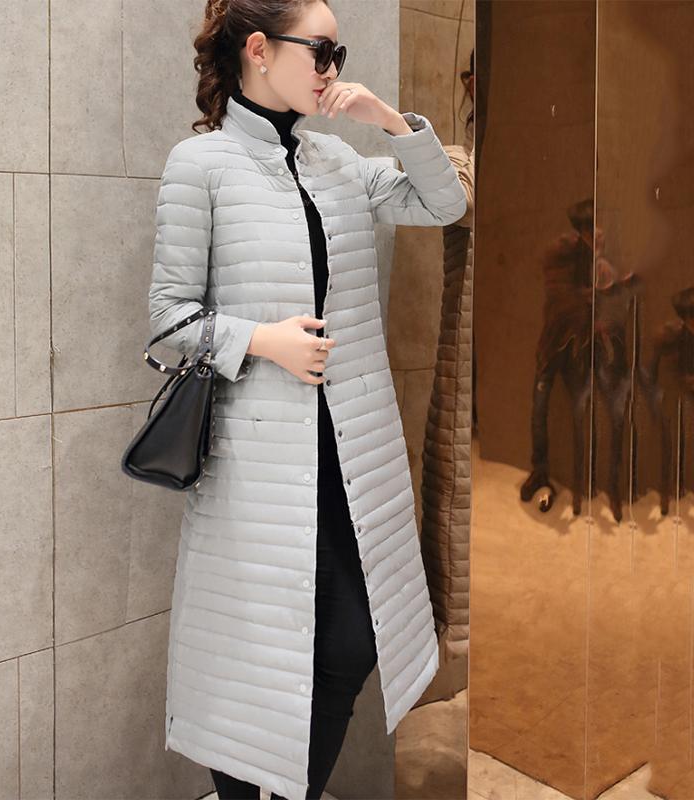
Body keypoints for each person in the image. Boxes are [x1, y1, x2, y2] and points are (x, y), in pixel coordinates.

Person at [150, 1, 468, 798]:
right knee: (251, 663)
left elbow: (445, 204)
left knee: (354, 642)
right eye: (321, 50)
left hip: (351, 452)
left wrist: (387, 119)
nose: (332, 68)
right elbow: (170, 319)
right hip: (256, 461)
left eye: (338, 53)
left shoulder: (337, 160)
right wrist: (264, 340)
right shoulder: (202, 165)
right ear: (259, 49)